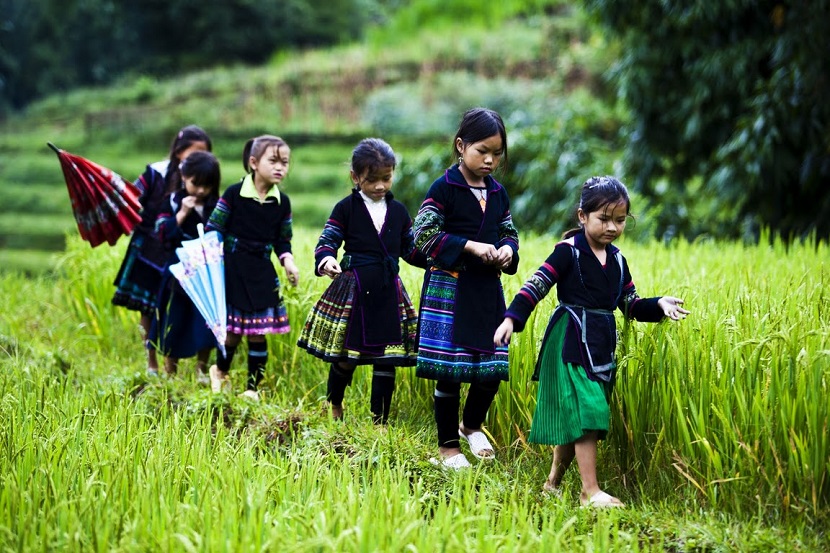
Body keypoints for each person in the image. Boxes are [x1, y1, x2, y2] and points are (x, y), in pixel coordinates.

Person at [493, 176, 689, 508]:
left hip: (600, 342)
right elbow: (536, 285)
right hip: (570, 339)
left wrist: (657, 304)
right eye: (604, 219)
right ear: (582, 216)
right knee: (589, 412)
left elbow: (629, 304)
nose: (612, 227)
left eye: (620, 220)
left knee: (581, 418)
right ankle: (590, 491)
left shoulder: (618, 260)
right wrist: (513, 317)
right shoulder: (567, 252)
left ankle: (552, 483)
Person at [413, 107, 520, 468]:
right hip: (451, 289)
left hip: (486, 289)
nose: (490, 160)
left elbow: (508, 231)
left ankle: (470, 426)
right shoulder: (443, 188)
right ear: (461, 146)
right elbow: (423, 235)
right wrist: (471, 247)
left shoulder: (499, 193)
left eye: (497, 153)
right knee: (451, 372)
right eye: (482, 151)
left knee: (490, 370)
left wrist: (508, 250)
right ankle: (448, 449)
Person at [297, 138, 429, 424]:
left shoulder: (399, 212)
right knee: (346, 358)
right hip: (354, 290)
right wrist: (326, 259)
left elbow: (410, 250)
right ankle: (334, 403)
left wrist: (438, 262)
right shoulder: (346, 208)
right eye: (372, 180)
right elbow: (328, 240)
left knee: (387, 360)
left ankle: (379, 420)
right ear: (355, 177)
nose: (380, 186)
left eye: (386, 178)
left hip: (387, 292)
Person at [112, 125, 212, 376]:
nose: (197, 158)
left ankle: (175, 364)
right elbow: (132, 199)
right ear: (179, 151)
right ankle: (151, 363)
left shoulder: (201, 183)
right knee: (148, 308)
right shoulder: (156, 173)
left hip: (180, 256)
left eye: (204, 153)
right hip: (148, 249)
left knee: (174, 310)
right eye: (194, 152)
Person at [205, 135, 300, 401]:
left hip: (262, 271)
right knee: (233, 332)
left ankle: (251, 389)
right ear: (254, 162)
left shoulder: (283, 202)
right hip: (233, 269)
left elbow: (283, 241)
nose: (280, 167)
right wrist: (210, 260)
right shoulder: (234, 194)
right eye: (274, 161)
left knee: (258, 333)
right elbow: (215, 227)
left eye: (285, 162)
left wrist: (288, 262)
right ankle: (220, 371)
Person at [152, 150, 221, 380]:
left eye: (207, 186)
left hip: (206, 275)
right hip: (179, 276)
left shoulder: (216, 206)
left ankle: (202, 369)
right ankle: (170, 371)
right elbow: (162, 234)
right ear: (184, 177)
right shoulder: (172, 202)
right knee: (175, 322)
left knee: (206, 323)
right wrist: (182, 213)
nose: (201, 190)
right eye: (196, 184)